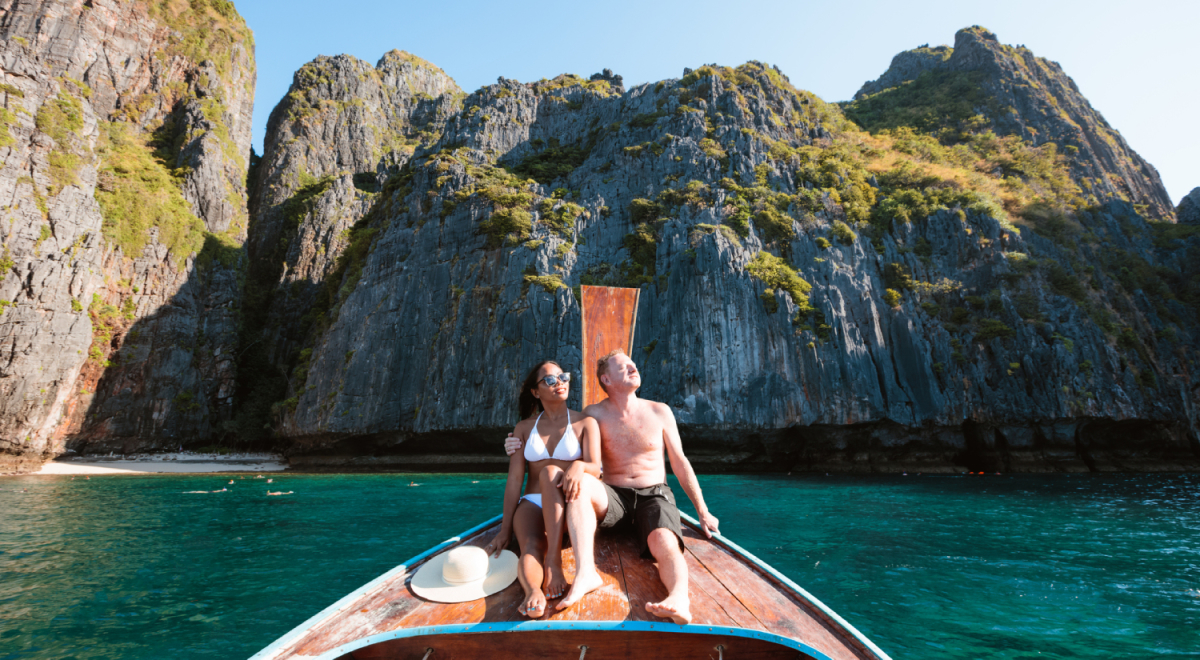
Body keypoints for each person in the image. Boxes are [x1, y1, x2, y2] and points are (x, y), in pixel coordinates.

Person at [504, 350, 718, 624]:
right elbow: (558, 437)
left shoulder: (659, 411)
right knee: (579, 487)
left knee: (664, 541)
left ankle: (678, 598)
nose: (633, 368)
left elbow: (680, 462)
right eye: (624, 367)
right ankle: (585, 573)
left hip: (653, 493)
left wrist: (702, 510)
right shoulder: (593, 414)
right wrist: (511, 444)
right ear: (606, 378)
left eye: (633, 365)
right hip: (613, 496)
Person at [485, 360, 601, 619]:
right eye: (549, 380)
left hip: (569, 503)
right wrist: (504, 530)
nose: (559, 383)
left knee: (551, 473)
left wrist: (579, 465)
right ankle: (532, 592)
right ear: (536, 392)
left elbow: (597, 467)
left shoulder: (585, 423)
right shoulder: (524, 428)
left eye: (563, 377)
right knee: (531, 545)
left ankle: (554, 563)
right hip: (533, 500)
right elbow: (515, 480)